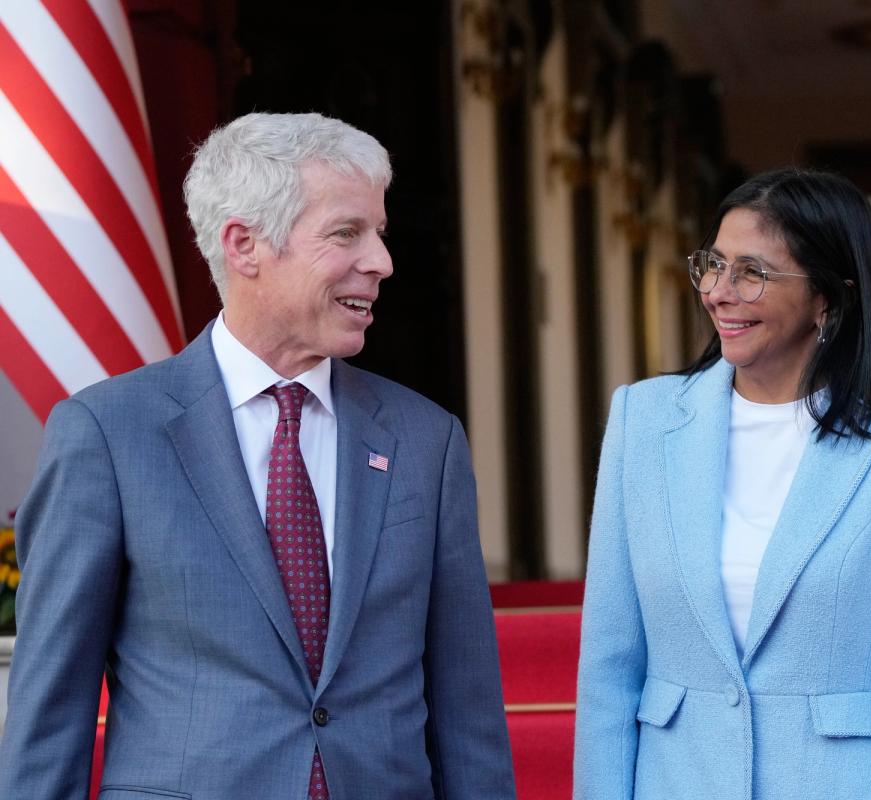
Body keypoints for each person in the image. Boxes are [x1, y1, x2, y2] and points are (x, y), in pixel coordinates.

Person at [0, 112, 515, 800]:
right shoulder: (107, 435)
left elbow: (467, 712)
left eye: (379, 233)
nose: (382, 262)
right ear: (244, 245)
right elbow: (50, 713)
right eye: (346, 233)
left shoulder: (427, 440)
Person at [573, 168, 871, 799]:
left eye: (752, 273)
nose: (719, 292)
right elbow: (609, 667)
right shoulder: (644, 420)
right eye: (713, 265)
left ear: (829, 299)